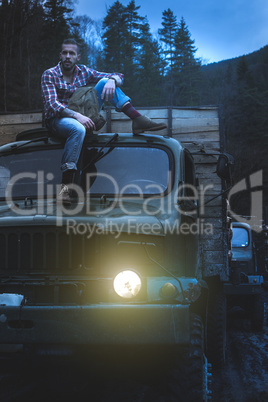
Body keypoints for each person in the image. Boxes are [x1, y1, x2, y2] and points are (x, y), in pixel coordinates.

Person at [41, 38, 167, 204]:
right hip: (58, 120)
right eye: (64, 53)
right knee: (77, 129)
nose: (67, 56)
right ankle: (65, 190)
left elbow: (119, 75)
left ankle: (137, 119)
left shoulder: (84, 71)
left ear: (78, 56)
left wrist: (112, 81)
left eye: (71, 53)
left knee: (104, 81)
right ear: (60, 55)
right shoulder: (50, 74)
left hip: (83, 115)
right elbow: (51, 105)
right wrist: (77, 116)